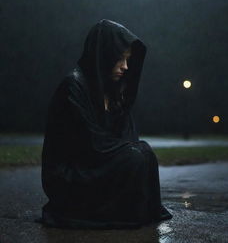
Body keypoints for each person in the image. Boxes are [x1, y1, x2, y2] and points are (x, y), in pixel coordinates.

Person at [40, 19, 172, 229]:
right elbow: (90, 145)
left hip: (99, 165)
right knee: (135, 156)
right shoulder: (73, 87)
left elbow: (126, 138)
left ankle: (128, 211)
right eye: (120, 58)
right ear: (102, 55)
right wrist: (127, 154)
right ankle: (116, 212)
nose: (125, 66)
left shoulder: (112, 90)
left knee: (145, 154)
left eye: (127, 59)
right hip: (72, 174)